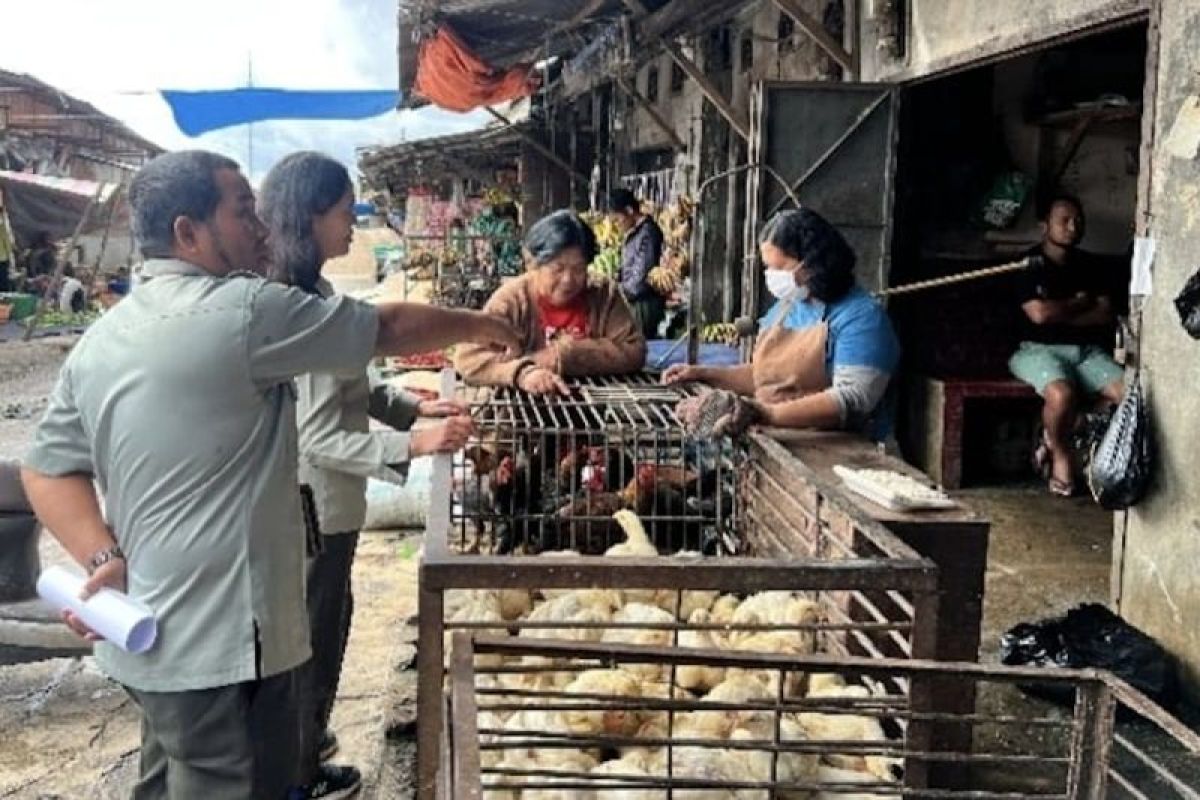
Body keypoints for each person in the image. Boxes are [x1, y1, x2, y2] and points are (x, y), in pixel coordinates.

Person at [19, 150, 519, 800]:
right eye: (241, 210)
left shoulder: (107, 335)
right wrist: (484, 322)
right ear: (187, 233)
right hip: (220, 642)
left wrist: (101, 555)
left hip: (142, 629)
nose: (260, 225)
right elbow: (386, 327)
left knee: (163, 779)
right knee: (232, 782)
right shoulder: (243, 311)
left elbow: (46, 469)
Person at [259, 151, 473, 799]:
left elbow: (358, 384)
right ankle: (297, 777)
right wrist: (416, 446)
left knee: (330, 623)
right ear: (309, 216)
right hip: (314, 509)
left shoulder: (320, 294)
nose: (353, 225)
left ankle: (303, 745)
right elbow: (320, 435)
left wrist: (413, 409)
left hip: (331, 506)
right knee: (311, 642)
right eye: (344, 212)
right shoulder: (293, 304)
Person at [663, 208, 900, 440]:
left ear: (813, 264)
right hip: (777, 439)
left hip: (841, 452)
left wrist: (766, 412)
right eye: (768, 268)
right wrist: (704, 374)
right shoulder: (787, 307)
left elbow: (853, 398)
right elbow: (764, 376)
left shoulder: (861, 318)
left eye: (779, 268)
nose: (772, 276)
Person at [455, 209, 646, 394]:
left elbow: (634, 350)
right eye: (557, 269)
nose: (568, 280)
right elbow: (468, 358)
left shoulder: (603, 293)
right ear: (532, 265)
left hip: (588, 413)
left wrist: (566, 355)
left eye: (579, 269)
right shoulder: (512, 299)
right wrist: (522, 373)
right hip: (520, 414)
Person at [1009, 194, 1125, 497]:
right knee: (1061, 394)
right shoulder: (1029, 263)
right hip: (1036, 349)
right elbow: (1038, 315)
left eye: (1078, 221)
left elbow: (1103, 314)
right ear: (1044, 225)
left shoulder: (1089, 264)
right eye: (1064, 220)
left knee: (1130, 395)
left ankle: (1067, 426)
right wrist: (1078, 303)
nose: (1073, 227)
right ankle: (1061, 452)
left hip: (1086, 352)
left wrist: (1062, 314)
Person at [608, 188, 666, 339]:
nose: (617, 225)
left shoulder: (647, 233)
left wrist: (617, 291)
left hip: (642, 304)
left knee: (634, 345)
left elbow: (639, 280)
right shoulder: (634, 234)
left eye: (618, 220)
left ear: (629, 210)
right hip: (631, 300)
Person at [0, 195, 12, 292]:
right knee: (3, 283)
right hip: (3, 258)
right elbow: (7, 242)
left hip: (3, 258)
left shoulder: (2, 226)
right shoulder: (2, 226)